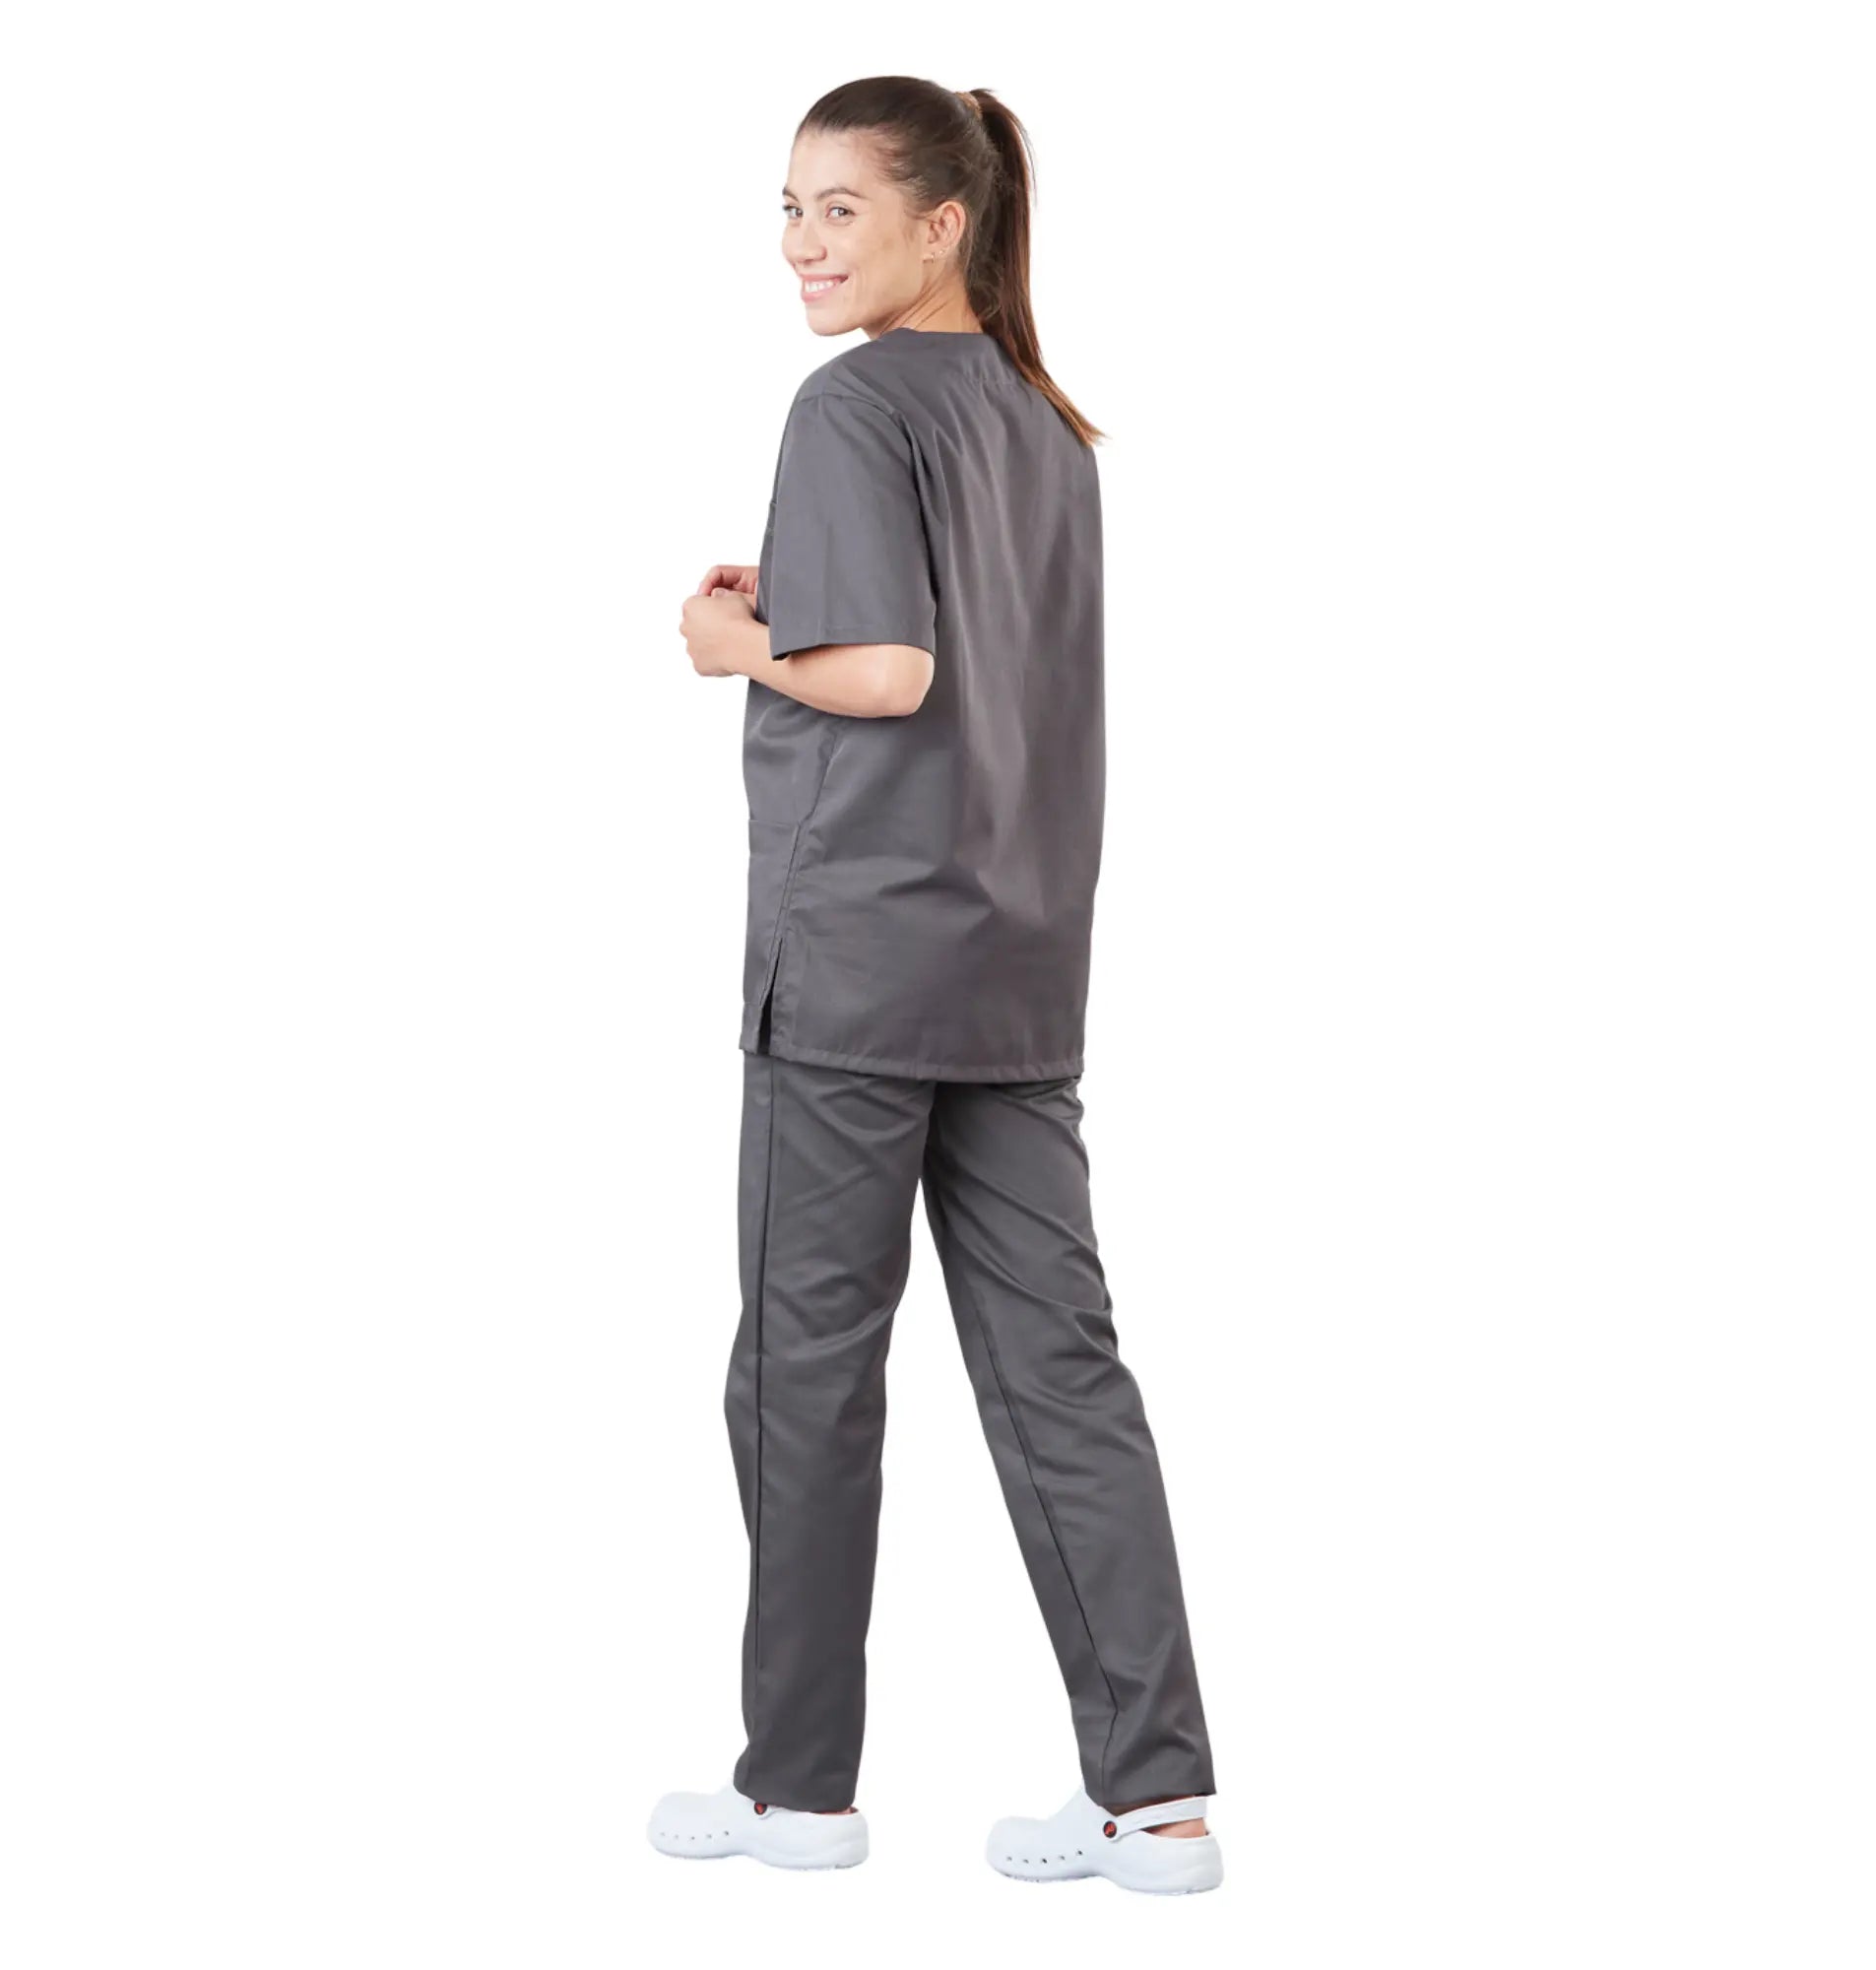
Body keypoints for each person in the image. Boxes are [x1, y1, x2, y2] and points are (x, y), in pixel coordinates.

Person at [656, 78, 1221, 1897]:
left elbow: (890, 674)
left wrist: (733, 643)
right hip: (1018, 958)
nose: (802, 245)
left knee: (804, 1375)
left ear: (941, 223)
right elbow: (973, 653)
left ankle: (797, 1793)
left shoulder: (853, 404)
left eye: (841, 208)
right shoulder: (1046, 425)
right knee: (1061, 1368)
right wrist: (802, 607)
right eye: (788, 208)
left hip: (855, 964)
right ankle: (1156, 1803)